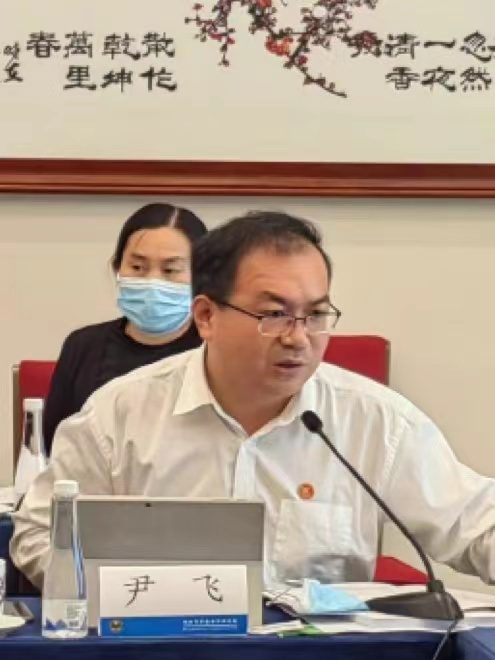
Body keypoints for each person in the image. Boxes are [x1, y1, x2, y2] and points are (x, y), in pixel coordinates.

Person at [12, 211, 495, 590]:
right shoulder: (119, 416)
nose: (298, 338)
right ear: (206, 316)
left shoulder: (374, 422)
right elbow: (38, 535)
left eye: (316, 315)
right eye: (274, 314)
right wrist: (114, 590)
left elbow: (475, 526)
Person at [42, 203, 207, 455]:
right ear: (117, 269)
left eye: (170, 270)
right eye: (138, 267)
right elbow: (53, 447)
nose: (152, 281)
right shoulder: (83, 346)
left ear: (202, 278)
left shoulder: (217, 352)